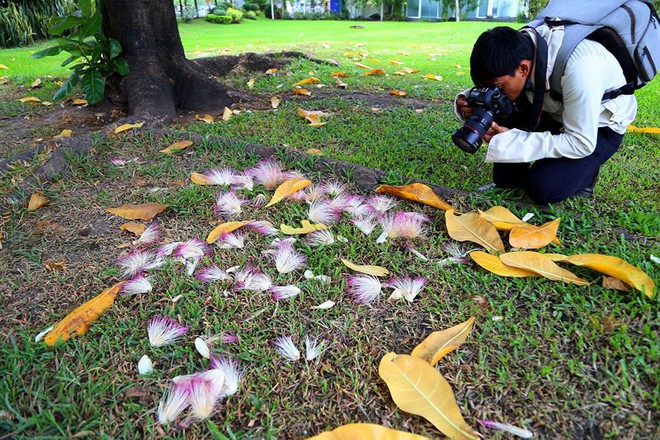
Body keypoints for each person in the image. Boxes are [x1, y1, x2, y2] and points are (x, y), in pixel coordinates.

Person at [455, 26, 638, 204]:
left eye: (499, 87)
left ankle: (586, 175)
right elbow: (495, 83)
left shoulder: (580, 69)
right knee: (499, 102)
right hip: (555, 110)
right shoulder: (520, 47)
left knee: (543, 187)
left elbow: (581, 142)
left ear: (523, 69)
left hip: (598, 126)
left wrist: (515, 139)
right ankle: (508, 179)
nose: (497, 91)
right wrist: (466, 100)